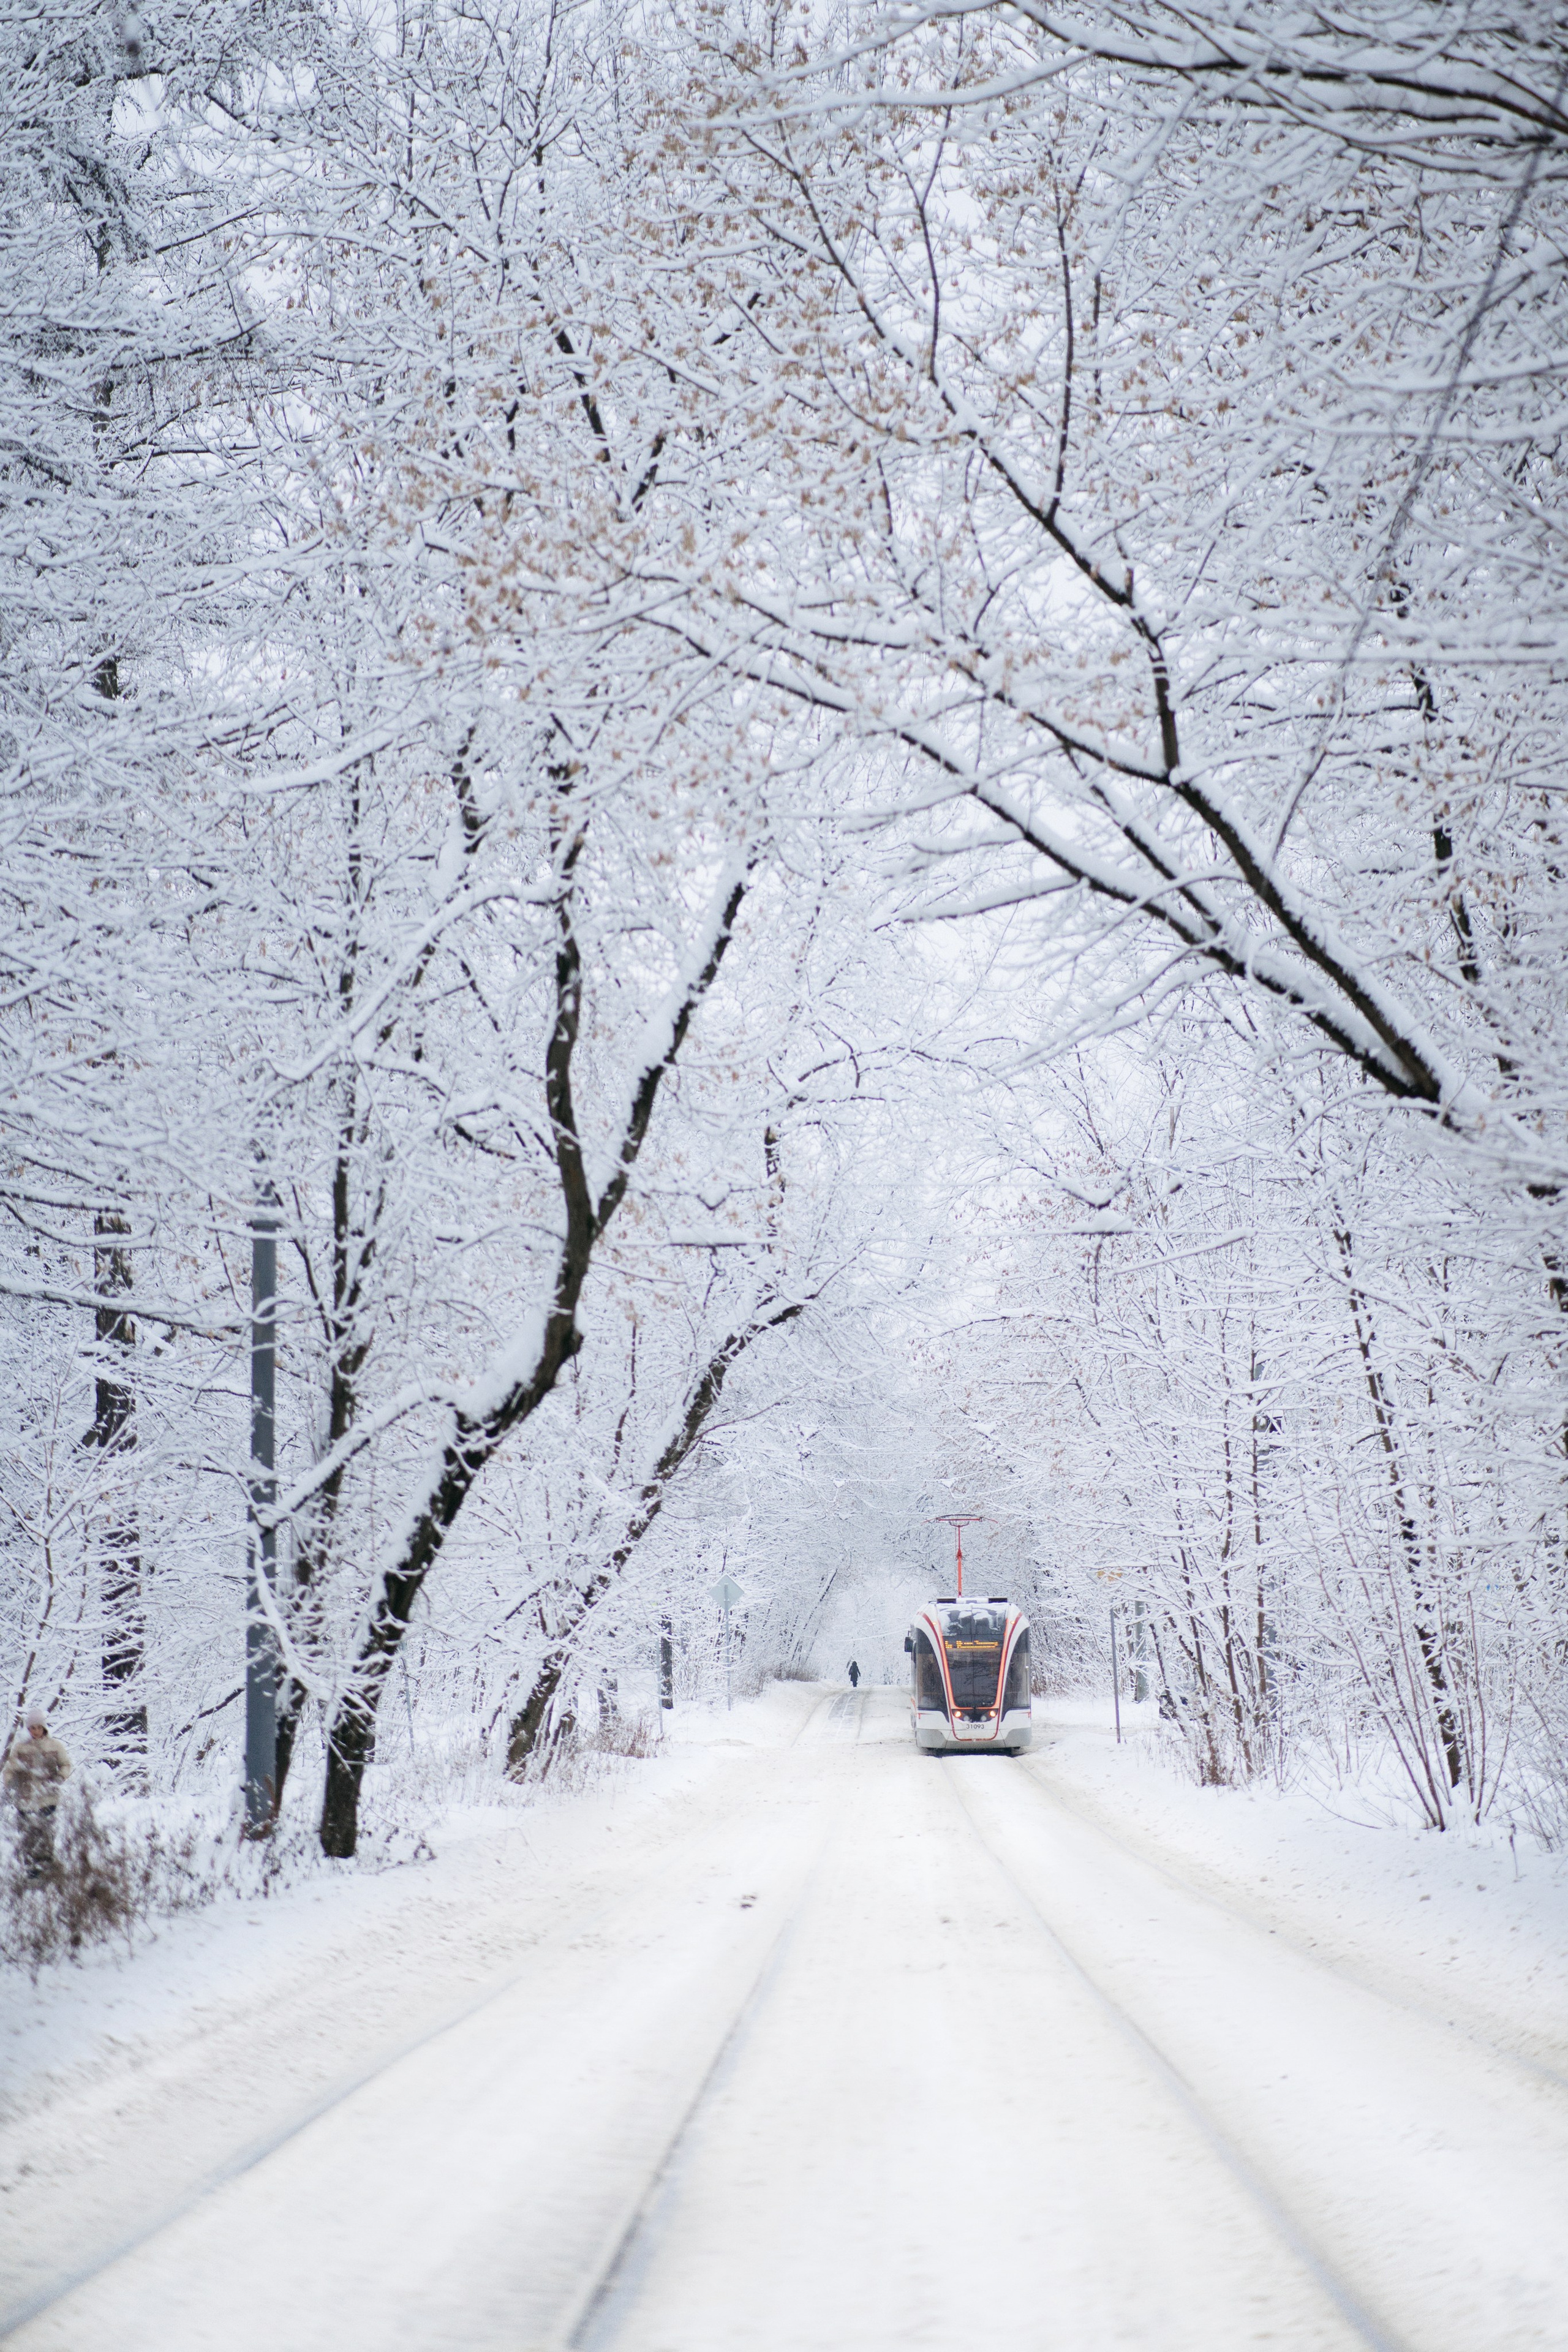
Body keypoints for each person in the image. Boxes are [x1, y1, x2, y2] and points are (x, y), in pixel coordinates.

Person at [3, 1709, 72, 1879]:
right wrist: (10, 1783)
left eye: (39, 1727)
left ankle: (47, 1868)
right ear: (28, 1729)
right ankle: (30, 1870)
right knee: (28, 1835)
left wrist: (59, 1778)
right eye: (32, 1728)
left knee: (46, 1834)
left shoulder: (55, 1746)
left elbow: (66, 1765)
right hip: (25, 1800)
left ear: (44, 1728)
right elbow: (9, 1770)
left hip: (48, 1799)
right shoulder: (20, 1748)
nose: (36, 1731)